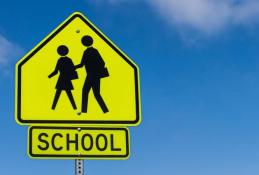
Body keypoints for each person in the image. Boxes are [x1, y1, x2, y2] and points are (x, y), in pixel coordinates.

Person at [76, 35, 109, 114]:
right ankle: (105, 110)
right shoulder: (95, 51)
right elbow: (102, 63)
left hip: (91, 75)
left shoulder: (87, 52)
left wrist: (72, 67)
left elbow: (81, 64)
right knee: (96, 94)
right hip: (95, 75)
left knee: (85, 91)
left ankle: (84, 111)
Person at [48, 45, 77, 110]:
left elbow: (56, 71)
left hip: (61, 79)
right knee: (69, 94)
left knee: (58, 94)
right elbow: (73, 69)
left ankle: (53, 108)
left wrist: (49, 76)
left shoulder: (60, 60)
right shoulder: (69, 60)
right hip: (67, 79)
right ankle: (74, 108)